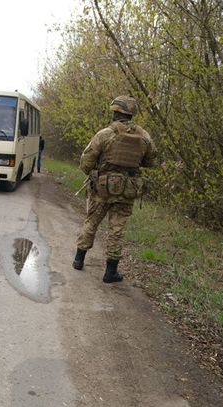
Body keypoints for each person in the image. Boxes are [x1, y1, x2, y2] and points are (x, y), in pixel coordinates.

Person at [72, 96, 157, 283]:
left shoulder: (105, 134)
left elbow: (86, 162)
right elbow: (151, 162)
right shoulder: (144, 137)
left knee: (91, 222)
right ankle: (110, 272)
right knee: (116, 230)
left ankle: (79, 260)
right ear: (131, 113)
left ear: (115, 112)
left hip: (102, 189)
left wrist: (97, 173)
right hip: (127, 189)